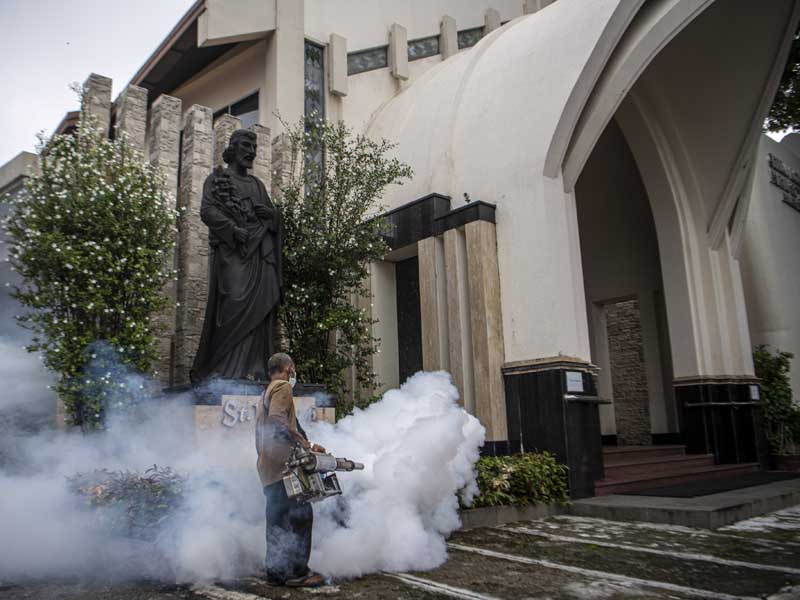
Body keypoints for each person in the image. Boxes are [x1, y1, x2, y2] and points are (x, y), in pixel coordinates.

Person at [255, 352, 325, 587]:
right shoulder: (283, 387)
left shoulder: (265, 392)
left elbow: (283, 424)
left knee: (277, 521)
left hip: (268, 469)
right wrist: (302, 443)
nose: (293, 373)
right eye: (292, 369)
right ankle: (297, 572)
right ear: (288, 368)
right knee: (301, 516)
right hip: (284, 469)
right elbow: (277, 420)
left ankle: (276, 573)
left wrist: (308, 444)